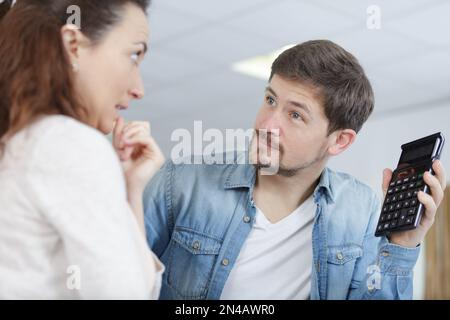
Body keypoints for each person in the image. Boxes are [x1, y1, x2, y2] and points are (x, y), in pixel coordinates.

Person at [141, 40, 447, 300]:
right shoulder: (182, 181)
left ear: (339, 141)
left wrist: (403, 246)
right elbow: (114, 277)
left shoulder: (360, 209)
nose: (267, 124)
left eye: (295, 115)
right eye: (270, 99)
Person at [0, 0, 165, 299]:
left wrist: (130, 190)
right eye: (133, 55)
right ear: (73, 45)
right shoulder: (67, 143)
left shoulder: (20, 142)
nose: (138, 87)